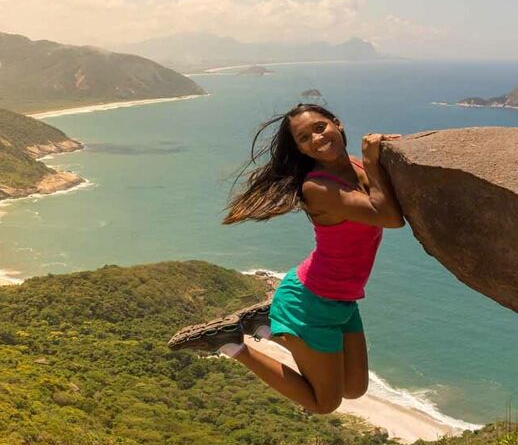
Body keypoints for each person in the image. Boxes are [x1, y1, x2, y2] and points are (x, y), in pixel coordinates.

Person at [168, 103, 405, 414]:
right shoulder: (317, 187)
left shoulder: (354, 165)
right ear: (301, 149)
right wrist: (374, 160)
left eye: (320, 127)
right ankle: (231, 343)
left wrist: (379, 157)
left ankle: (267, 326)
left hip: (341, 298)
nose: (317, 138)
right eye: (304, 138)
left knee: (355, 388)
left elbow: (384, 201)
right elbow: (390, 217)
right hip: (311, 302)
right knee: (325, 403)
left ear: (337, 124)